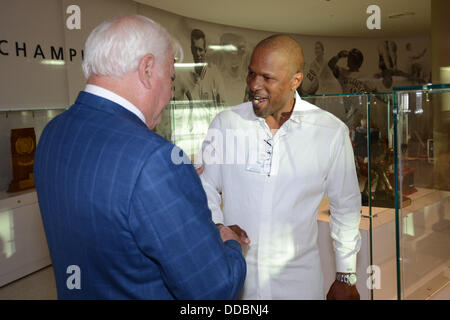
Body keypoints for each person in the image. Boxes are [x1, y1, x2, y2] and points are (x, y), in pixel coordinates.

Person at [34, 15, 247, 300]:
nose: (172, 92)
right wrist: (230, 243)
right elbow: (214, 290)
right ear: (147, 69)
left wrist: (170, 192)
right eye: (170, 77)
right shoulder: (155, 161)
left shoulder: (52, 133)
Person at [198, 34, 362, 300]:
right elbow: (203, 186)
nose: (255, 85)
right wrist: (218, 228)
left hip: (299, 283)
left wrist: (346, 274)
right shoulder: (226, 124)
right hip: (235, 281)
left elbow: (346, 205)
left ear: (295, 81)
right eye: (251, 74)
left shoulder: (330, 132)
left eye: (267, 78)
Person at [172, 29, 227, 164]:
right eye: (195, 49)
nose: (198, 54)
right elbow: (175, 106)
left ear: (205, 50)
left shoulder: (215, 76)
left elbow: (224, 108)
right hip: (192, 139)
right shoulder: (185, 77)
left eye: (201, 50)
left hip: (212, 139)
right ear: (191, 49)